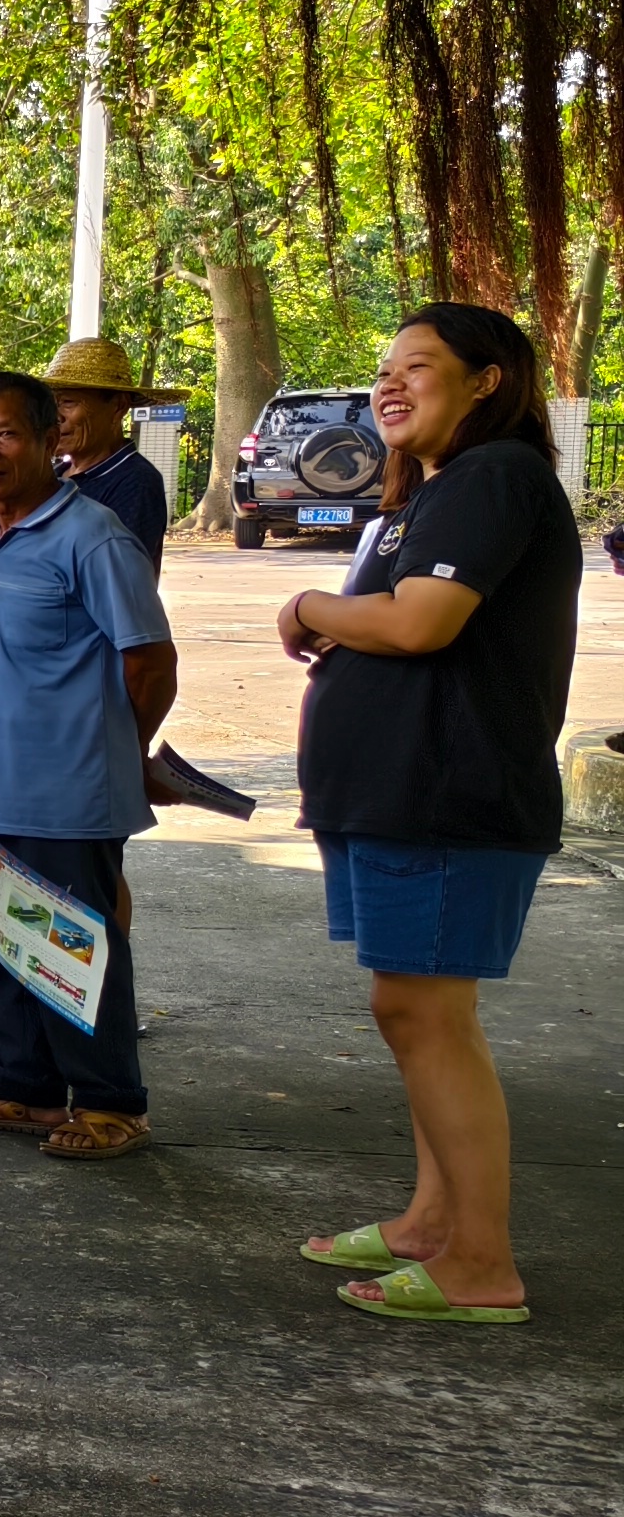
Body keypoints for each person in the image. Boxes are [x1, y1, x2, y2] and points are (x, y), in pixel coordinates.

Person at [285, 302, 583, 1321]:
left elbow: (419, 623)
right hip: (400, 794)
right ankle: (430, 1221)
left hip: (449, 799)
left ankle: (481, 1263)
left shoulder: (494, 475)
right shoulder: (441, 489)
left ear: (486, 379)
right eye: (383, 369)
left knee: (427, 1015)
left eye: (417, 365)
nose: (389, 385)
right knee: (411, 1013)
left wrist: (307, 609)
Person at [0, 373, 177, 1160]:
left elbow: (149, 659)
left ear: (53, 441)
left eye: (6, 434)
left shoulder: (94, 534)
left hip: (70, 788)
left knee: (75, 948)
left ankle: (113, 1103)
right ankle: (26, 1090)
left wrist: (120, 749)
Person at [44, 335, 172, 572]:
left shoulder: (135, 481)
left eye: (68, 402)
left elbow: (118, 580)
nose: (55, 416)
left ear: (118, 407)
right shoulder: (53, 476)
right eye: (51, 403)